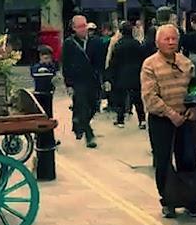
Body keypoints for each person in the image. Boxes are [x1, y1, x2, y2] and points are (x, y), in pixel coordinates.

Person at [141, 24, 196, 219]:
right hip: (162, 121)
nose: (170, 42)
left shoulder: (186, 63)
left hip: (186, 120)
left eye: (173, 39)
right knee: (164, 162)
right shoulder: (149, 65)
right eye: (166, 39)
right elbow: (150, 96)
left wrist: (195, 108)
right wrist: (170, 114)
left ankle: (190, 200)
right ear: (157, 42)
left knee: (187, 159)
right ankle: (168, 201)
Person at [62, 15, 103, 148]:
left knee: (93, 106)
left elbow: (101, 62)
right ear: (74, 28)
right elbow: (66, 64)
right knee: (83, 106)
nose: (83, 29)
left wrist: (105, 78)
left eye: (84, 25)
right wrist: (68, 84)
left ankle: (78, 122)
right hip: (78, 81)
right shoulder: (69, 43)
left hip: (93, 80)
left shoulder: (95, 42)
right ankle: (89, 134)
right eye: (80, 26)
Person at [108, 21, 146, 129]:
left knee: (121, 98)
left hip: (121, 74)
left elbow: (114, 61)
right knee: (137, 99)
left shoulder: (119, 44)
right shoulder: (137, 44)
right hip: (135, 74)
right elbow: (142, 59)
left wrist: (111, 76)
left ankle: (120, 120)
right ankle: (142, 119)